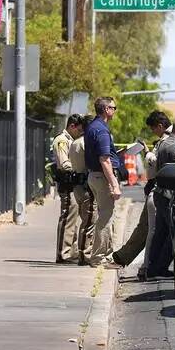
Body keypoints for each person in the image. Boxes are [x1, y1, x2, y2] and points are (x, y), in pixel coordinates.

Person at [109, 111, 171, 274]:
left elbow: (155, 165)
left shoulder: (167, 141)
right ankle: (136, 261)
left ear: (159, 125)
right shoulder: (166, 140)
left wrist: (146, 151)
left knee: (148, 230)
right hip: (158, 191)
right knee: (149, 229)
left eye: (153, 129)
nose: (153, 132)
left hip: (161, 192)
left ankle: (146, 266)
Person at [145, 118, 175, 278]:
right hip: (168, 196)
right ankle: (159, 267)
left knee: (161, 233)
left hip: (161, 194)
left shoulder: (164, 143)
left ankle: (152, 268)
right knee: (173, 233)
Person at [84, 96, 124, 266]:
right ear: (107, 109)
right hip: (102, 177)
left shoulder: (93, 127)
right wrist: (114, 183)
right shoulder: (101, 130)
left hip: (95, 176)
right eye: (113, 108)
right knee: (105, 218)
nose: (115, 111)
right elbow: (104, 160)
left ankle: (106, 254)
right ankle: (98, 257)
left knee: (105, 214)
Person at [52, 114, 85, 264]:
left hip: (73, 183)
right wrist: (80, 168)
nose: (80, 132)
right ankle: (63, 254)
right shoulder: (62, 141)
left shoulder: (71, 140)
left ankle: (71, 252)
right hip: (67, 183)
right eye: (79, 129)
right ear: (72, 126)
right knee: (67, 217)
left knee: (73, 218)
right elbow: (64, 163)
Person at [69, 115, 96, 266]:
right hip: (86, 186)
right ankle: (85, 255)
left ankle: (83, 253)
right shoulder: (86, 143)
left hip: (78, 186)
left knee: (86, 220)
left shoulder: (75, 142)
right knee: (89, 222)